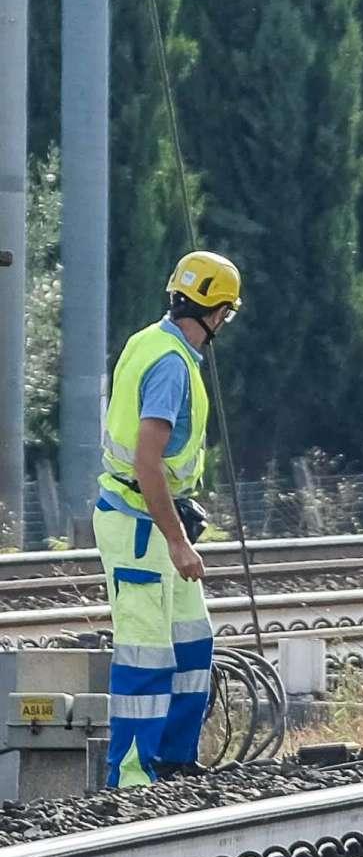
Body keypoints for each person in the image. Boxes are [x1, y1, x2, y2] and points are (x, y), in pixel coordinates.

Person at [96, 250, 241, 788]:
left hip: (153, 513)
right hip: (140, 525)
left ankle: (174, 760)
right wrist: (178, 540)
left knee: (191, 641)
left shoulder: (150, 342)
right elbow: (146, 461)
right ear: (219, 312)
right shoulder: (171, 365)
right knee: (147, 652)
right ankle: (132, 781)